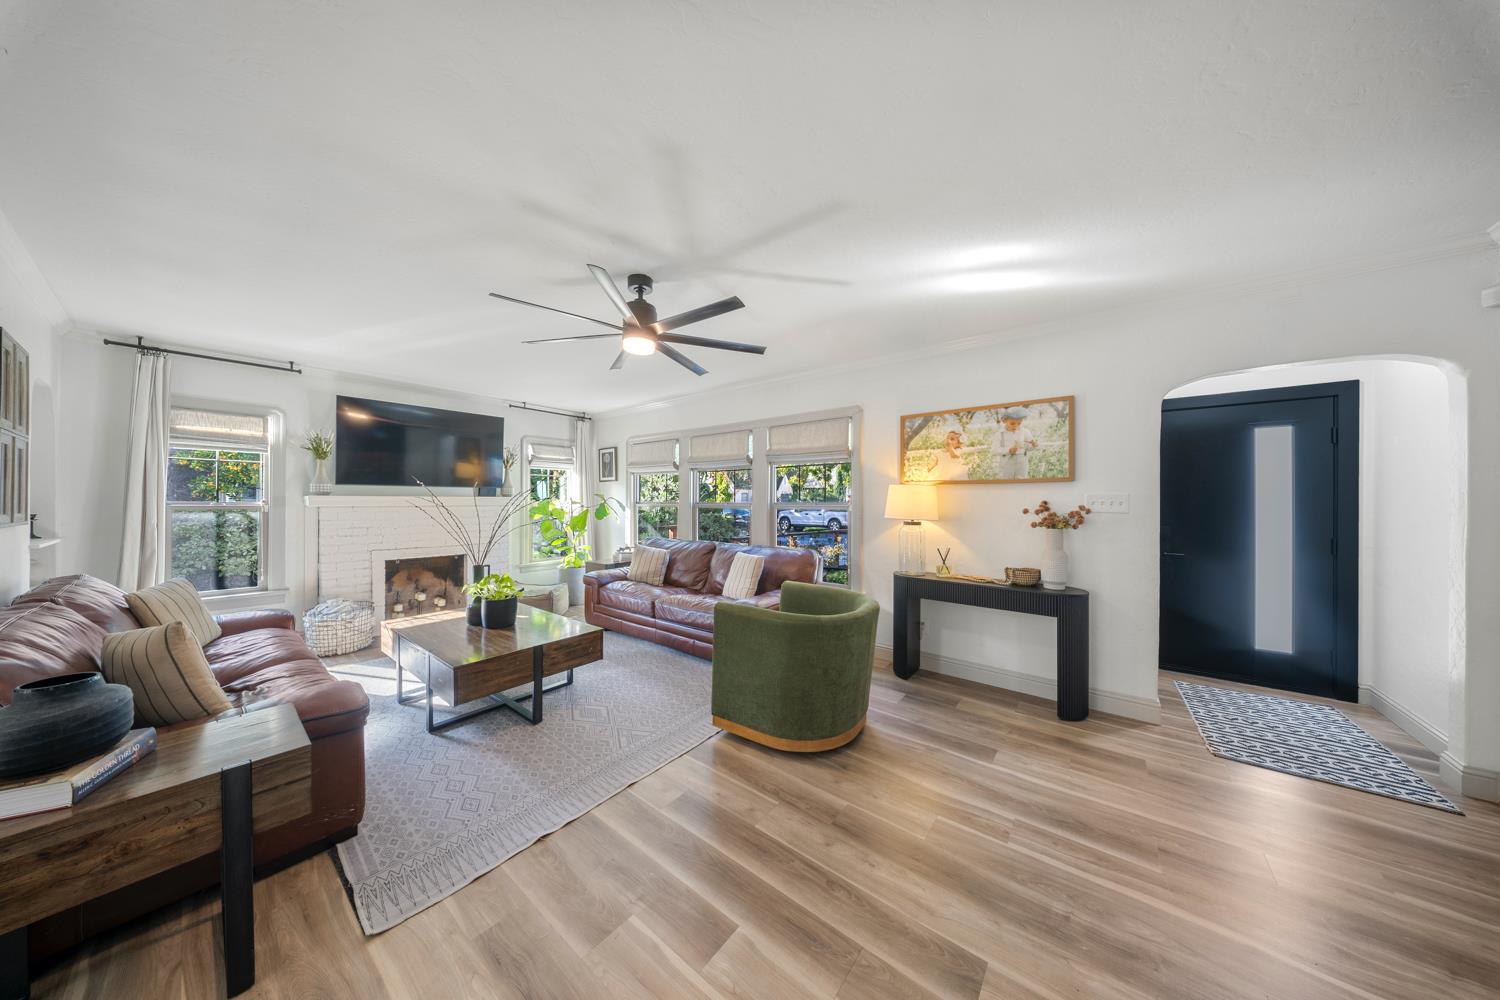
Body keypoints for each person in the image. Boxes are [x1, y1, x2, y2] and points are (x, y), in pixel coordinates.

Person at [991, 406, 1038, 479]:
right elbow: (994, 450)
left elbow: (1028, 447)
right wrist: (1008, 450)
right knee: (1007, 482)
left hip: (1022, 463)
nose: (1016, 426)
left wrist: (1033, 445)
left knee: (1021, 481)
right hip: (1006, 464)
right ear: (1004, 421)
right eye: (1012, 423)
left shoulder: (1024, 432)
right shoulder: (1000, 434)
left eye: (1019, 423)